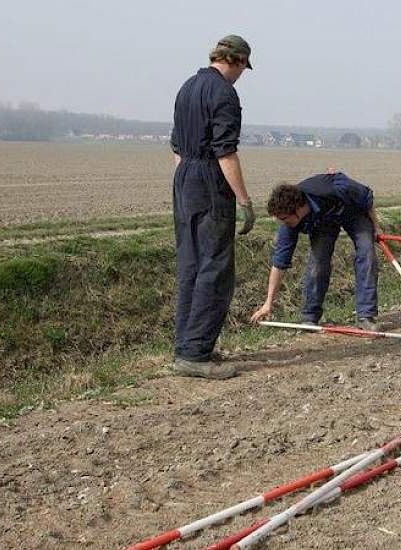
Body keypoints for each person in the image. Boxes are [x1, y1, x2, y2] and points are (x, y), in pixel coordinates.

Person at [169, 35, 256, 379]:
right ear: (235, 60)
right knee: (216, 267)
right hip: (208, 178)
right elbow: (225, 151)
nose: (241, 75)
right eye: (243, 68)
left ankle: (187, 347)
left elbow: (176, 144)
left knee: (191, 263)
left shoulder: (187, 87)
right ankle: (195, 353)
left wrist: (186, 183)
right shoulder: (224, 93)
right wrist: (245, 201)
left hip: (184, 177)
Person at [249, 172, 381, 330]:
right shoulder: (290, 223)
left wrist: (376, 227)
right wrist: (268, 303)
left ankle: (366, 316)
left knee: (367, 251)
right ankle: (310, 318)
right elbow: (279, 263)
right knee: (318, 261)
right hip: (323, 221)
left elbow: (366, 197)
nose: (281, 222)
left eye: (283, 218)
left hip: (352, 211)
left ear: (298, 209)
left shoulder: (336, 188)